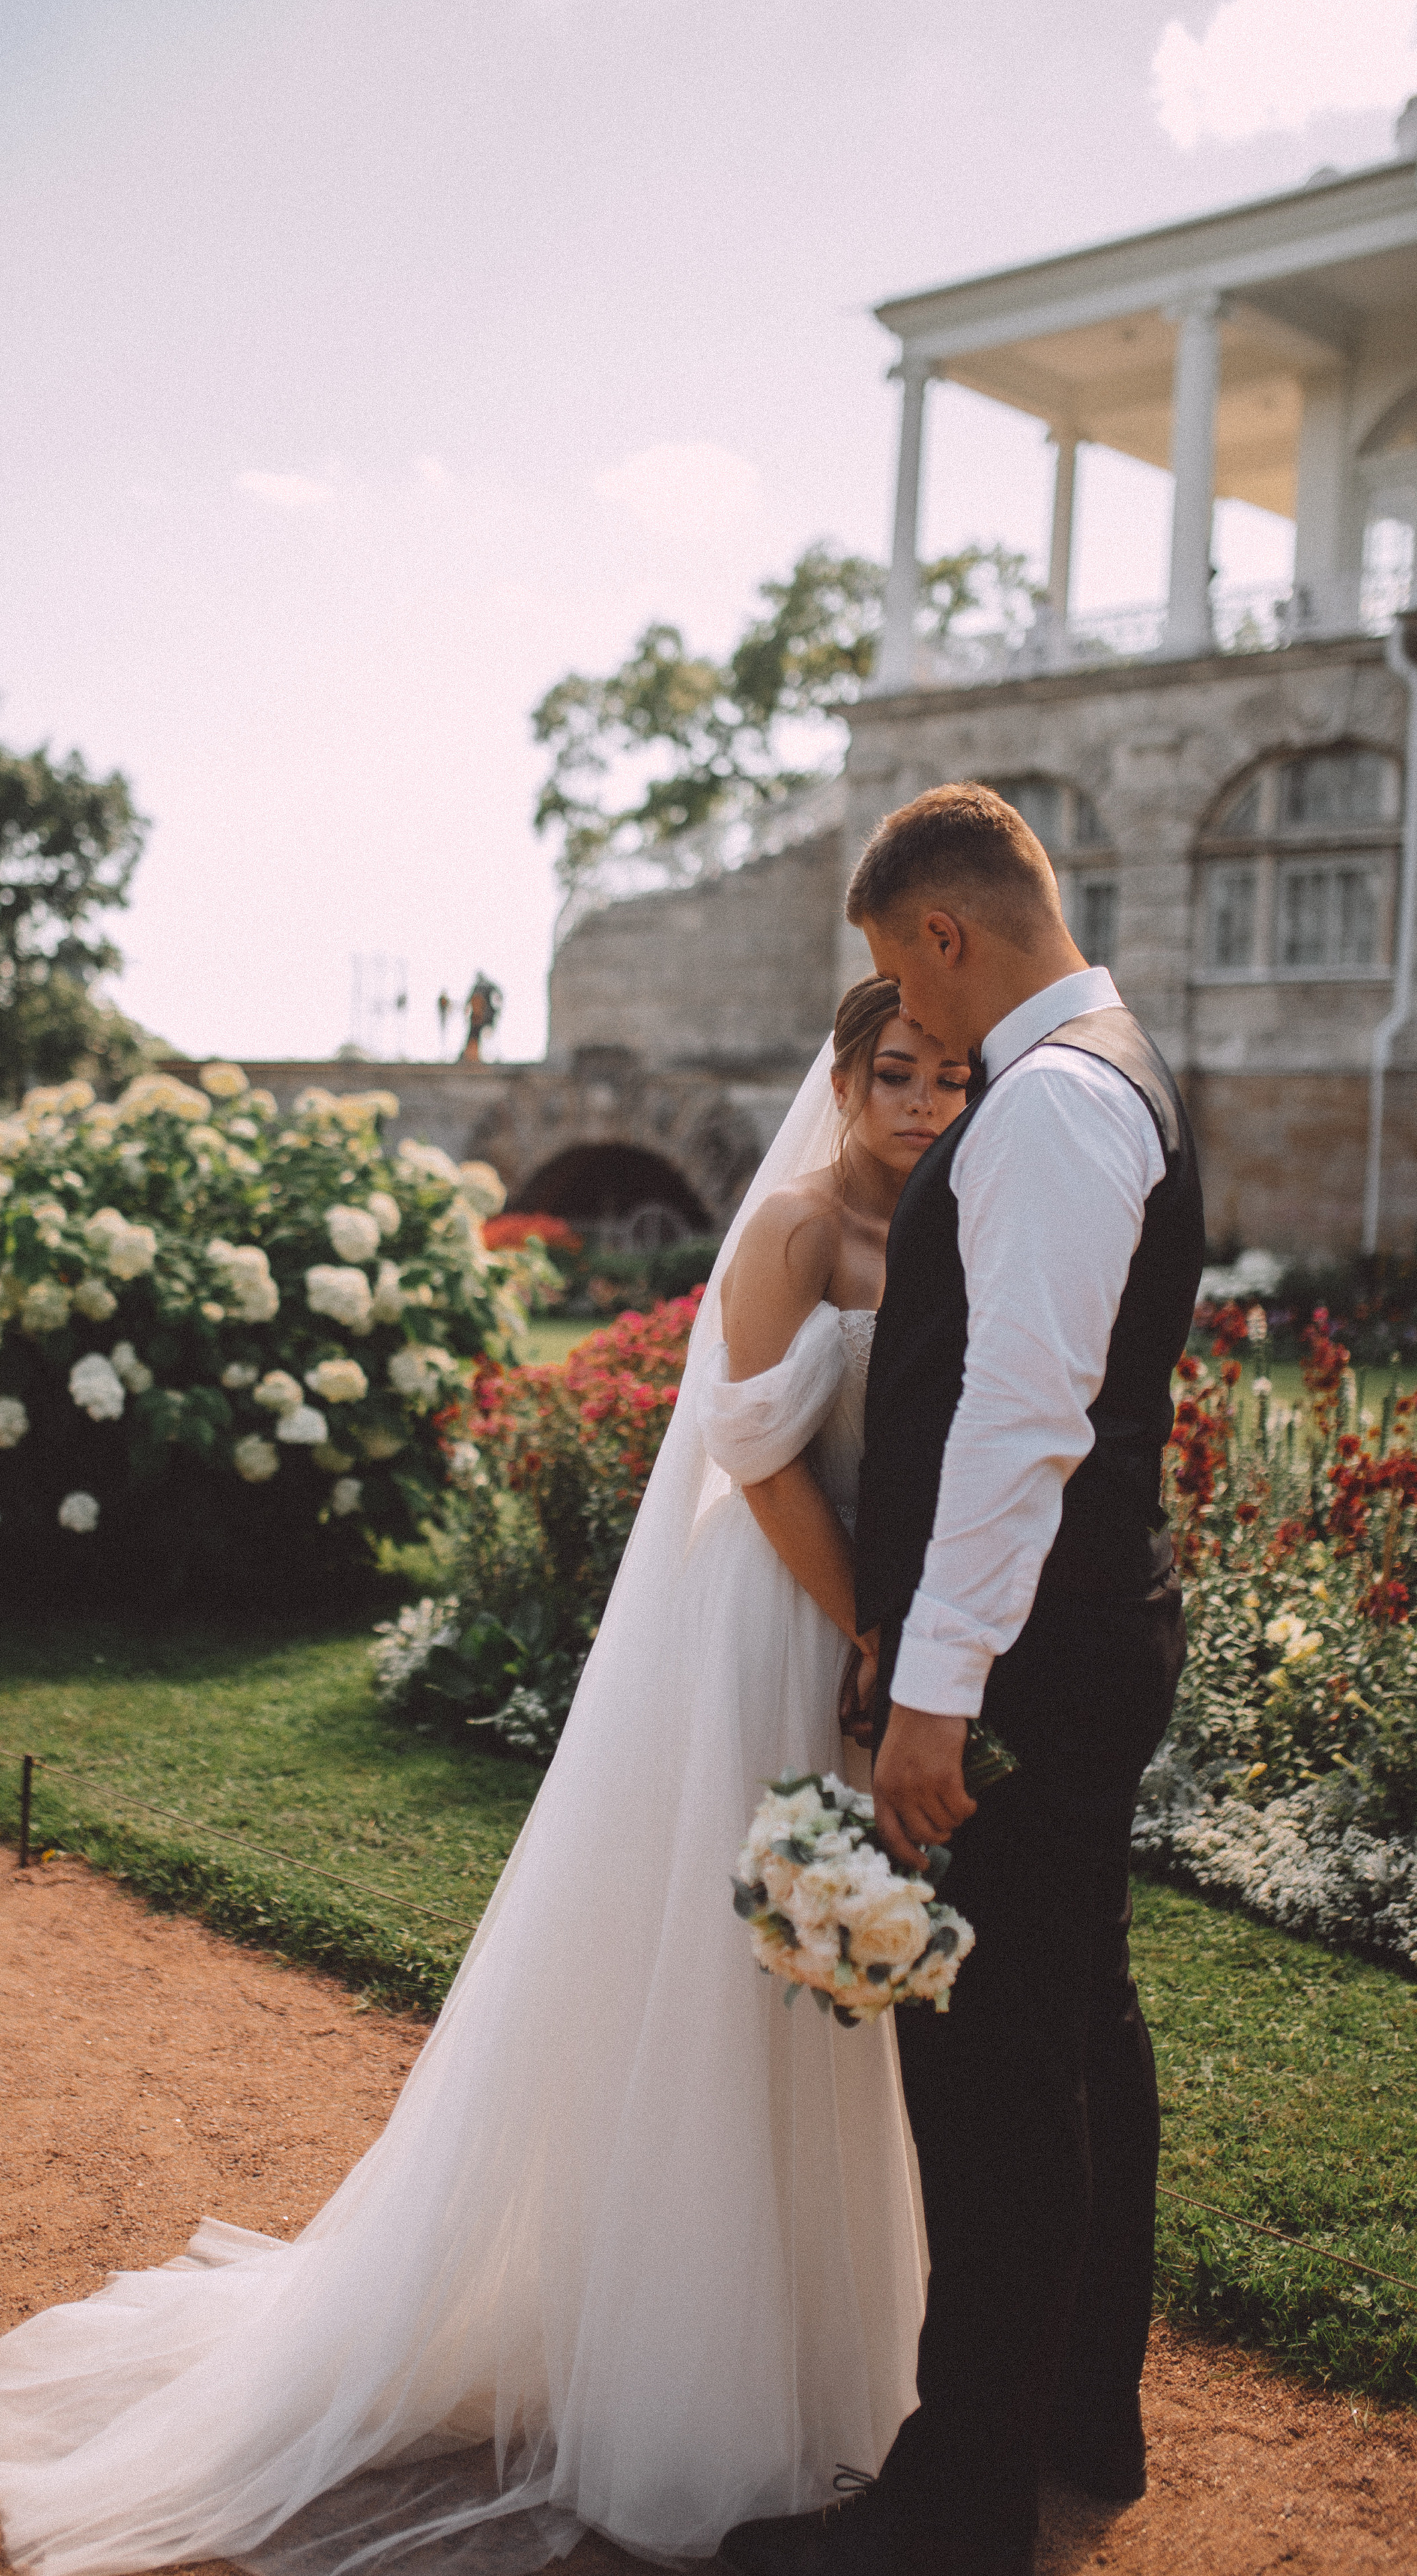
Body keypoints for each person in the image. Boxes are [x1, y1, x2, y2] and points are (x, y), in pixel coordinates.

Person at [0, 979, 971, 2576]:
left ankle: (823, 2359)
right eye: (895, 1073)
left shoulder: (948, 1221)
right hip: (770, 1621)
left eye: (948, 1076)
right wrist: (858, 1630)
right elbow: (754, 1455)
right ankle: (685, 2381)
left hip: (866, 1635)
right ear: (839, 1079)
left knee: (828, 1991)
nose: (923, 1101)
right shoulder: (782, 1229)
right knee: (729, 1981)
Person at [724, 783, 1205, 2576]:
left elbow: (1022, 1425)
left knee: (996, 2079)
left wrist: (932, 1699)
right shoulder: (1104, 1063)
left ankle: (952, 2511)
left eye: (898, 983)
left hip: (1014, 1664)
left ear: (941, 934)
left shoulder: (1056, 1104)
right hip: (1077, 1642)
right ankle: (1083, 2409)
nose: (905, 1031)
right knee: (1080, 2029)